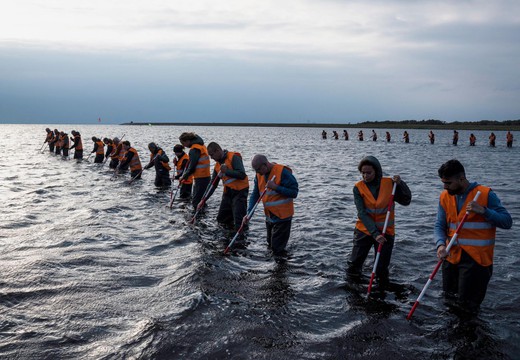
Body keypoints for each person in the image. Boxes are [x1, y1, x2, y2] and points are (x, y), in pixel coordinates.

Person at [434, 159, 512, 314]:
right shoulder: (445, 196)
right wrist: (440, 244)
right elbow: (439, 225)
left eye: (448, 183)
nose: (445, 187)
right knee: (449, 302)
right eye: (443, 182)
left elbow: (507, 222)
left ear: (461, 179)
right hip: (451, 257)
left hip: (476, 262)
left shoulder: (485, 194)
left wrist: (484, 211)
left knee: (467, 309)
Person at [347, 156, 412, 288]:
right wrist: (375, 233)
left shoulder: (390, 184)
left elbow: (406, 201)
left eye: (368, 173)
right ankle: (353, 290)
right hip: (364, 230)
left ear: (377, 171)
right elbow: (362, 213)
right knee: (354, 265)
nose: (365, 176)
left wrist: (401, 184)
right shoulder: (358, 188)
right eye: (363, 173)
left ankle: (381, 291)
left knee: (381, 268)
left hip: (386, 232)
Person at [246, 154, 298, 257]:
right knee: (270, 244)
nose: (257, 172)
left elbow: (294, 192)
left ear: (265, 165)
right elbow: (255, 194)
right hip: (270, 216)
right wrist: (249, 213)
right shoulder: (259, 175)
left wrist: (276, 187)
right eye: (255, 170)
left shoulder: (282, 172)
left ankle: (281, 269)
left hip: (283, 217)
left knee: (277, 249)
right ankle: (276, 269)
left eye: (258, 169)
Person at [205, 142, 249, 233]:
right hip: (227, 192)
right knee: (221, 219)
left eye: (212, 155)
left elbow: (242, 175)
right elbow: (213, 184)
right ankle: (226, 238)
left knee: (239, 221)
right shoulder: (217, 165)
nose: (211, 158)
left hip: (240, 192)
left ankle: (240, 242)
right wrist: (203, 200)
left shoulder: (233, 157)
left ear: (217, 151)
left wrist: (227, 171)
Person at [179, 132, 211, 211]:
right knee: (201, 200)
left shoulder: (194, 149)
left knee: (196, 201)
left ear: (187, 141)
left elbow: (192, 167)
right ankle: (202, 217)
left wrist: (183, 176)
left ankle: (197, 218)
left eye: (183, 143)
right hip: (205, 176)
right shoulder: (201, 146)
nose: (183, 146)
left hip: (201, 178)